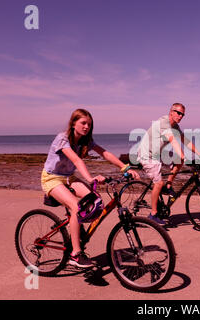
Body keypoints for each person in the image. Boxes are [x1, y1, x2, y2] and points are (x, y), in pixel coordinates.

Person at [41, 108, 139, 268]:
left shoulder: (85, 142)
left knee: (95, 200)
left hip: (69, 178)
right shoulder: (63, 138)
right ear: (73, 123)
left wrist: (125, 168)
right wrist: (90, 178)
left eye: (89, 124)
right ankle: (75, 254)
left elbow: (104, 153)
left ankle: (76, 231)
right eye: (83, 123)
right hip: (52, 178)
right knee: (76, 207)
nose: (86, 127)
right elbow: (77, 160)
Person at [137, 103, 200, 224]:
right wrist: (184, 156)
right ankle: (153, 214)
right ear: (171, 112)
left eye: (182, 114)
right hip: (147, 155)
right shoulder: (164, 123)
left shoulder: (175, 127)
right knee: (158, 183)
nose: (180, 116)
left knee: (179, 160)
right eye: (178, 113)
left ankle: (168, 186)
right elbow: (173, 140)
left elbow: (185, 141)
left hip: (158, 154)